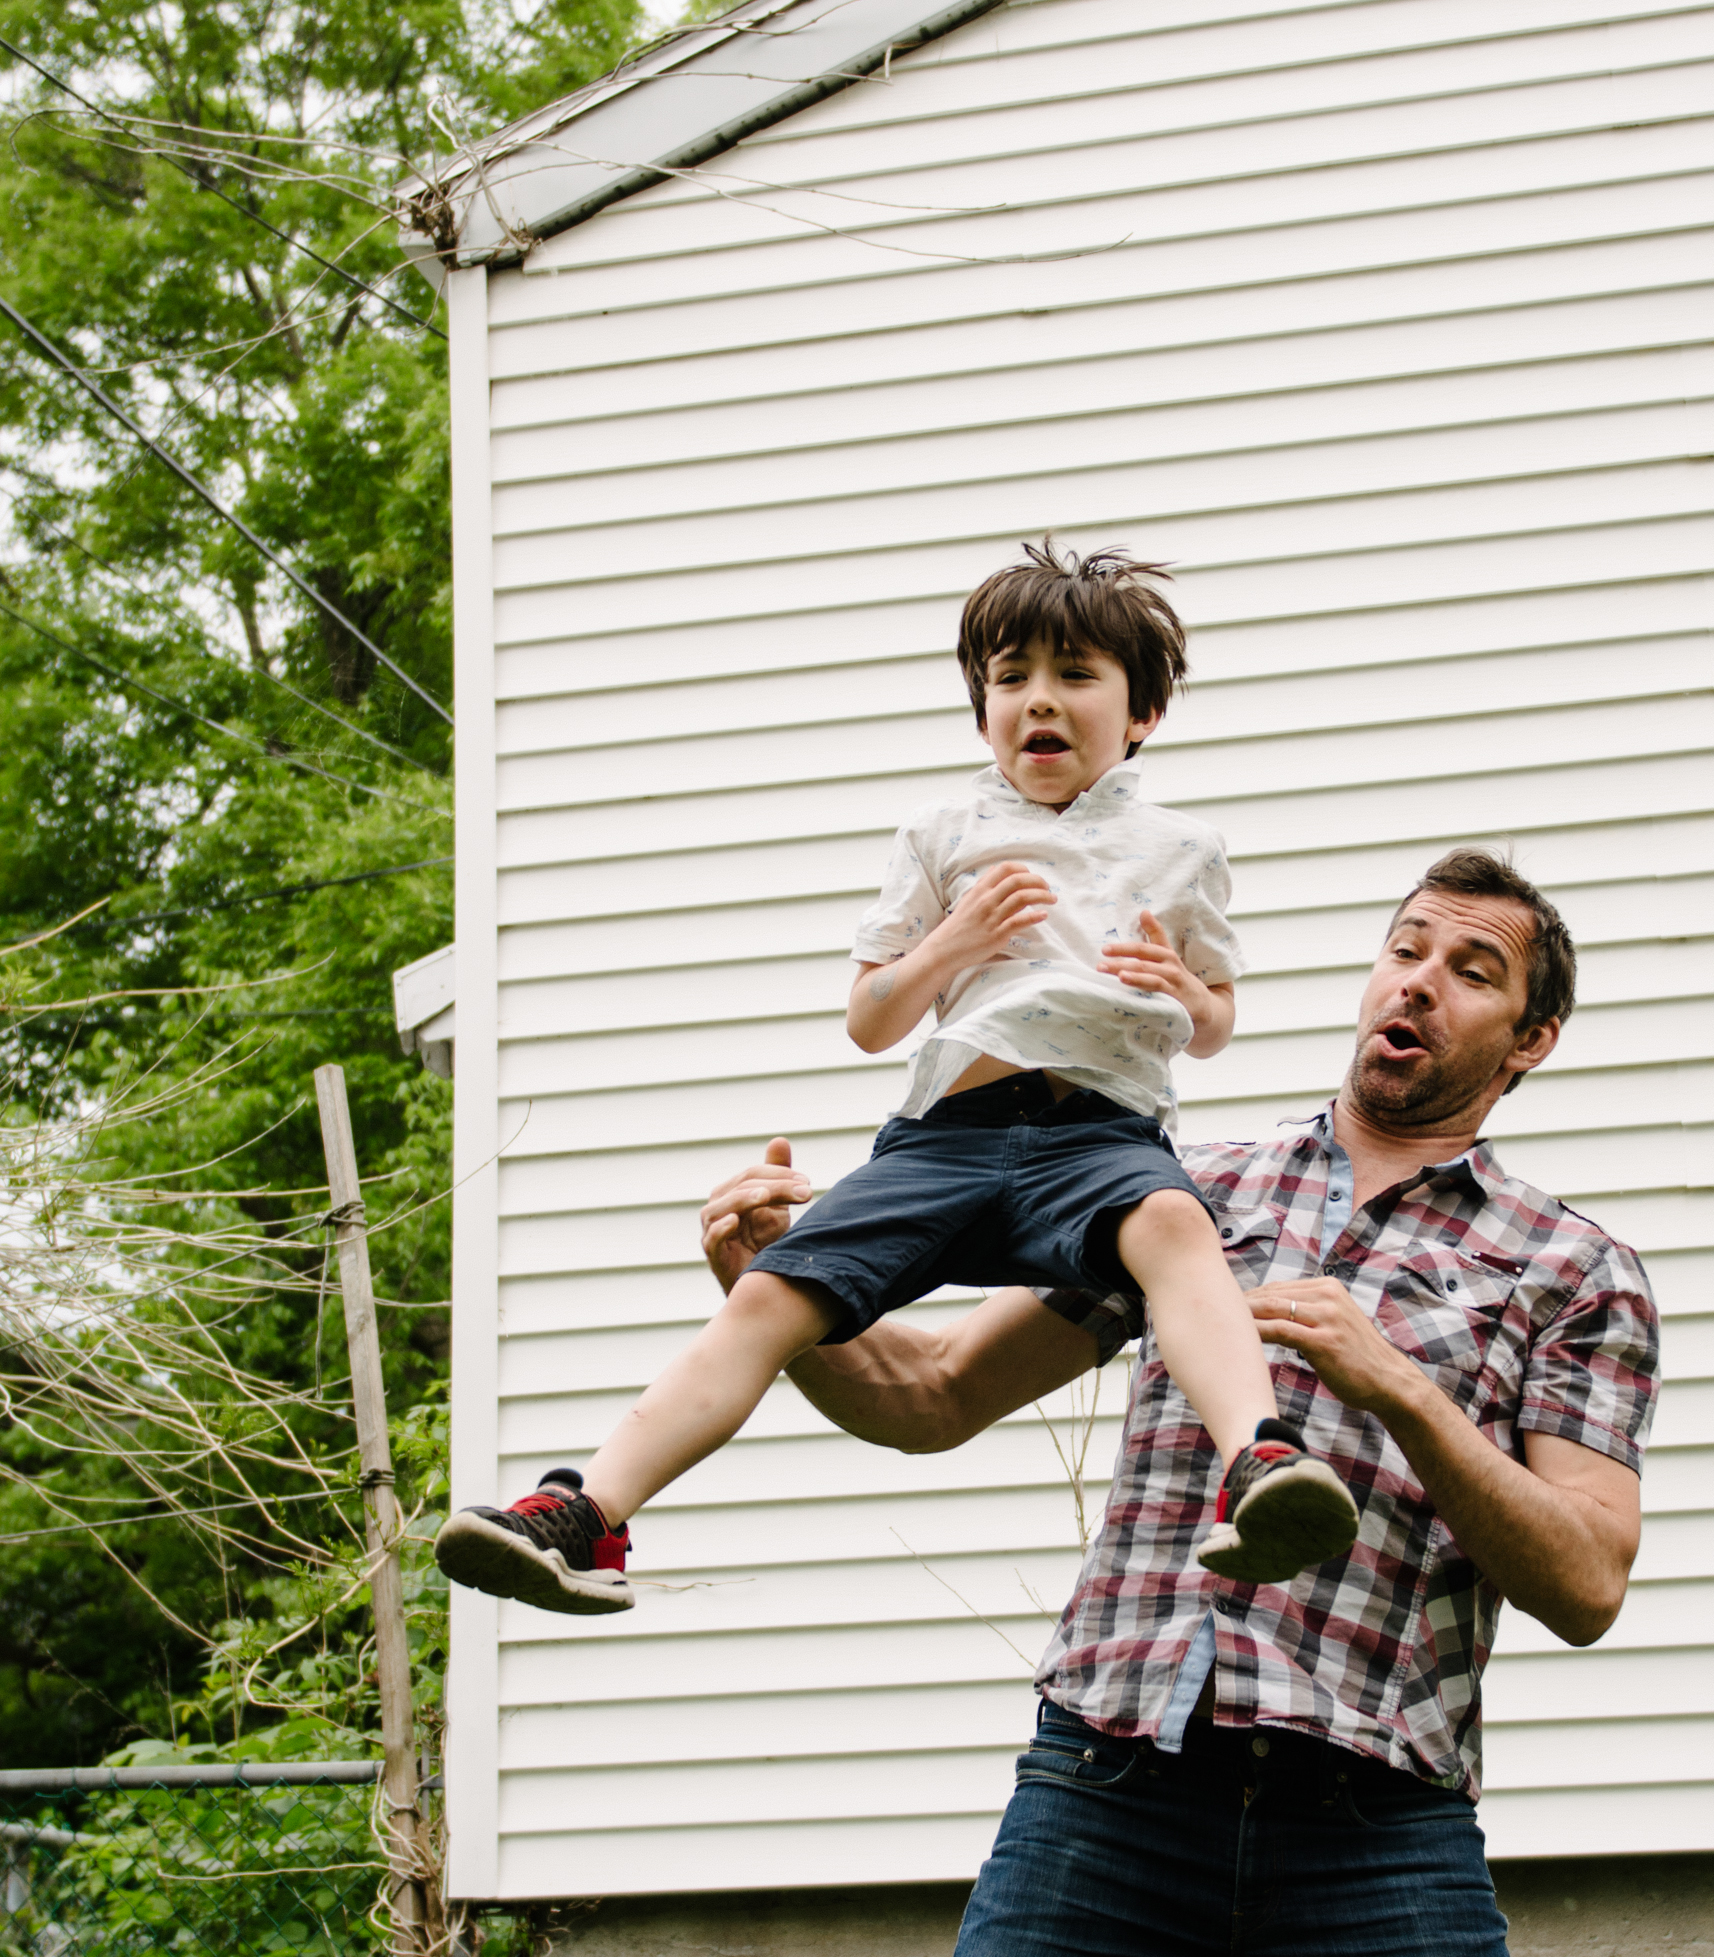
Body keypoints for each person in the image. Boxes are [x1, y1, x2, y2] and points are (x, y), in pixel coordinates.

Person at [697, 846, 1659, 1957]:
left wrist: (1402, 1388)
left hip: (1376, 1840)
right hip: (1108, 1804)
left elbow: (1588, 1576)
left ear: (1531, 1039)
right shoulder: (1173, 1195)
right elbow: (927, 1398)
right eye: (1403, 951)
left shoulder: (1571, 1271)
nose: (1416, 985)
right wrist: (777, 1302)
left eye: (1471, 972)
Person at [437, 540, 1355, 1615]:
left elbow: (1211, 1026)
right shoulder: (942, 832)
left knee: (1173, 1230)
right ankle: (584, 1509)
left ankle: (1258, 1462)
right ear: (981, 718)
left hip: (1098, 1137)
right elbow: (871, 1018)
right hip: (948, 1134)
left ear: (1139, 711)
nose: (1037, 702)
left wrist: (1187, 996)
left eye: (1073, 676)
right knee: (769, 1291)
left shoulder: (1182, 848)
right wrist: (951, 946)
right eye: (1010, 681)